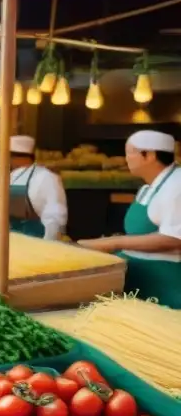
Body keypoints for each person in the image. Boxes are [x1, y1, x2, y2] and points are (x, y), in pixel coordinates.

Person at [78, 130, 181, 307]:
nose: (126, 159)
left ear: (149, 155)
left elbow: (173, 239)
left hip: (164, 282)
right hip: (140, 277)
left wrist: (113, 243)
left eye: (129, 153)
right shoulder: (148, 187)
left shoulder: (177, 185)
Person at [7, 135, 68, 240]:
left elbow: (55, 217)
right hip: (13, 239)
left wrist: (48, 244)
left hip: (36, 241)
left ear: (15, 158)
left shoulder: (46, 178)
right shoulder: (12, 176)